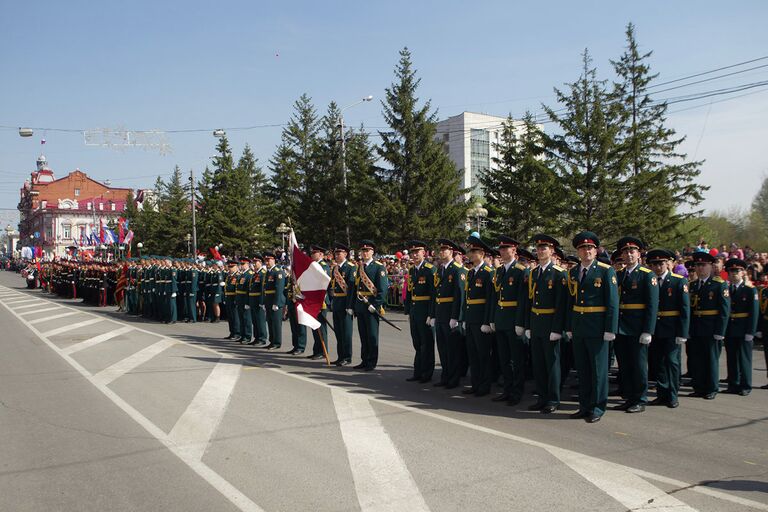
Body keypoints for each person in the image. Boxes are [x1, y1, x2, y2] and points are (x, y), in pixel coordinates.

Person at [566, 231, 619, 424]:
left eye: (590, 248)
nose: (586, 251)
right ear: (578, 252)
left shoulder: (606, 271)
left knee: (598, 370)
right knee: (583, 369)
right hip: (579, 327)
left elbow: (612, 302)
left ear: (596, 251)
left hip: (597, 328)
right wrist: (569, 326)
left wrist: (610, 329)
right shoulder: (572, 272)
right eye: (582, 248)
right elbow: (569, 302)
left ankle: (597, 407)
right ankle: (584, 405)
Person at [613, 237, 659, 414]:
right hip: (621, 326)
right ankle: (629, 397)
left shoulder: (647, 275)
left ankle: (640, 399)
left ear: (639, 254)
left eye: (632, 251)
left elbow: (652, 305)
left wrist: (648, 330)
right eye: (625, 252)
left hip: (638, 327)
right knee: (625, 364)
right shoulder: (619, 275)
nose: (629, 254)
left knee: (639, 366)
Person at [523, 234, 568, 413]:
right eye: (539, 248)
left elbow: (561, 304)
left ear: (552, 251)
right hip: (536, 323)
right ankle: (542, 397)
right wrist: (528, 325)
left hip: (550, 324)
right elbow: (529, 301)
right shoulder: (534, 273)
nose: (541, 251)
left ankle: (553, 399)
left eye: (544, 248)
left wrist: (557, 329)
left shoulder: (559, 273)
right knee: (538, 364)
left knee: (552, 364)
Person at [646, 249, 689, 408]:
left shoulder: (678, 281)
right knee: (658, 363)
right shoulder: (651, 280)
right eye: (654, 264)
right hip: (656, 328)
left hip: (672, 328)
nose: (658, 267)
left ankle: (672, 394)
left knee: (672, 362)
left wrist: (682, 332)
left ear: (668, 263)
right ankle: (661, 393)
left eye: (661, 263)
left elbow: (685, 308)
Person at [489, 235, 527, 405]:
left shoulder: (521, 270)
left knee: (516, 359)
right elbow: (495, 297)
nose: (503, 251)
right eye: (501, 249)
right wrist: (492, 318)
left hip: (513, 320)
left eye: (506, 248)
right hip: (501, 319)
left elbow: (523, 299)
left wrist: (520, 322)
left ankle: (516, 392)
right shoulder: (499, 271)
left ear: (514, 251)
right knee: (504, 358)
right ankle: (507, 389)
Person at [688, 251, 730, 399]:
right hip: (696, 327)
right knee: (697, 358)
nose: (700, 268)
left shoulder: (719, 284)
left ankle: (712, 388)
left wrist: (720, 330)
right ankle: (699, 386)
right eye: (698, 265)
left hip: (711, 327)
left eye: (703, 265)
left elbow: (724, 310)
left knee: (711, 359)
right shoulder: (692, 285)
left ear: (711, 266)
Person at [462, 235, 495, 397]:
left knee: (483, 355)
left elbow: (490, 299)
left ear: (482, 253)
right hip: (470, 319)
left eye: (475, 251)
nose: (472, 254)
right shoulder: (470, 273)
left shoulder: (488, 272)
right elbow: (467, 298)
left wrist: (487, 321)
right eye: (471, 251)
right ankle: (475, 384)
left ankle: (484, 385)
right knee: (472, 355)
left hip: (481, 320)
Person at [431, 239, 467, 388]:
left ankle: (454, 378)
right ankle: (445, 376)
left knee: (452, 350)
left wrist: (456, 317)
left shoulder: (457, 269)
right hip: (440, 313)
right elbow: (436, 294)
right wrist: (433, 314)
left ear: (451, 252)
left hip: (450, 314)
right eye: (440, 250)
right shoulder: (440, 269)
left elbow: (459, 296)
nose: (441, 252)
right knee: (443, 348)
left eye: (444, 250)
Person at [723, 258, 758, 396]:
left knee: (744, 359)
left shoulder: (750, 289)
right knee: (731, 358)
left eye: (737, 271)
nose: (733, 274)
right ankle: (733, 384)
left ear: (743, 272)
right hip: (730, 328)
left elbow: (754, 312)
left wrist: (751, 331)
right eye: (731, 271)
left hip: (744, 328)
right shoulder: (726, 288)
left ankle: (745, 385)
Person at [404, 240, 436, 383]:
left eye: (418, 252)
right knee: (417, 343)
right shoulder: (412, 270)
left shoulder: (430, 269)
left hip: (425, 311)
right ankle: (417, 371)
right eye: (413, 252)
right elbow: (410, 292)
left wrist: (431, 314)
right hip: (415, 311)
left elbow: (434, 294)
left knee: (426, 343)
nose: (415, 254)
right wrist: (409, 311)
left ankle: (427, 373)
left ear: (424, 253)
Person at [353, 240, 388, 371]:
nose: (365, 253)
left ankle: (371, 362)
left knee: (372, 335)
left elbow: (383, 289)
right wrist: (354, 306)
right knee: (363, 335)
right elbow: (356, 288)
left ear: (373, 252)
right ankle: (364, 359)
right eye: (363, 251)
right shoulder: (360, 267)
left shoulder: (379, 267)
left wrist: (376, 304)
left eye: (367, 251)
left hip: (371, 305)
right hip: (361, 305)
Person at [330, 243, 356, 366]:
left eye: (339, 253)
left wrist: (350, 306)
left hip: (345, 304)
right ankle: (340, 356)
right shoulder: (335, 269)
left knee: (346, 333)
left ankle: (347, 357)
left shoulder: (350, 268)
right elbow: (332, 287)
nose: (337, 255)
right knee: (338, 332)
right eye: (335, 253)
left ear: (345, 254)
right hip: (336, 304)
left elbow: (351, 289)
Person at [307, 245, 332, 360]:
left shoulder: (323, 266)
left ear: (321, 254)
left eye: (315, 253)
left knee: (321, 327)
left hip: (321, 301)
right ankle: (316, 350)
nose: (312, 255)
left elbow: (324, 284)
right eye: (312, 253)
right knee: (314, 326)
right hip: (313, 300)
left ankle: (323, 351)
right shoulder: (314, 266)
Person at [263, 252, 286, 350]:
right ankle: (272, 341)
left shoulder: (278, 271)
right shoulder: (268, 272)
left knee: (276, 323)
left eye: (269, 260)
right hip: (268, 300)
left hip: (275, 300)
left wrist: (276, 303)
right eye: (266, 260)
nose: (267, 262)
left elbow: (279, 288)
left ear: (274, 260)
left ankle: (277, 342)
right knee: (270, 322)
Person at [247, 254, 268, 346]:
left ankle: (262, 338)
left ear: (260, 262)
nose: (254, 264)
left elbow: (262, 289)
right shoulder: (255, 274)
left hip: (258, 299)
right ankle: (257, 337)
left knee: (260, 320)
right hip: (252, 299)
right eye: (253, 262)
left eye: (256, 262)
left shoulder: (263, 273)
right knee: (255, 320)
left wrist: (262, 301)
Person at [236, 257, 254, 343]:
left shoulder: (249, 274)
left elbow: (248, 289)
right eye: (241, 264)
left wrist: (247, 302)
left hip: (245, 298)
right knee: (241, 318)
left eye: (243, 264)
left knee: (246, 318)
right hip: (240, 298)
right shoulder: (241, 274)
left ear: (248, 265)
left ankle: (247, 336)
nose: (241, 266)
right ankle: (242, 335)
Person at [223, 260, 240, 340]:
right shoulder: (229, 276)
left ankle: (237, 333)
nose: (230, 268)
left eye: (232, 267)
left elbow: (237, 289)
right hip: (228, 298)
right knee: (230, 316)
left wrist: (236, 299)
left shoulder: (237, 276)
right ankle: (232, 332)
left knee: (235, 316)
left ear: (236, 267)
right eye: (229, 267)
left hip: (234, 297)